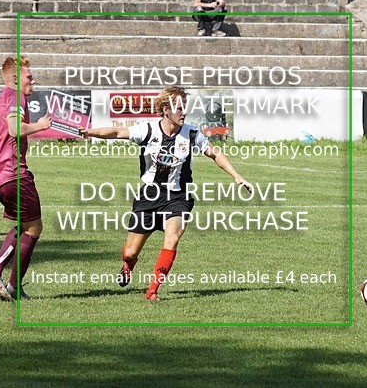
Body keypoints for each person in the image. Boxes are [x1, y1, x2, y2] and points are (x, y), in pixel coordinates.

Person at [79, 86, 250, 301]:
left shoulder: (192, 133)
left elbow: (214, 153)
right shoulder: (148, 130)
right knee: (130, 251)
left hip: (179, 196)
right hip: (149, 196)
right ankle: (128, 264)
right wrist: (90, 132)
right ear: (165, 109)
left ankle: (152, 291)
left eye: (184, 107)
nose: (183, 112)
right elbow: (116, 132)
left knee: (172, 238)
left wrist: (236, 175)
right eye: (179, 107)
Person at [0, 56, 52, 301]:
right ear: (14, 79)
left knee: (25, 223)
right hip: (12, 172)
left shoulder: (1, 98)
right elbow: (14, 129)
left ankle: (9, 283)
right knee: (34, 227)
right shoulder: (15, 97)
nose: (33, 80)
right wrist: (41, 126)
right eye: (29, 76)